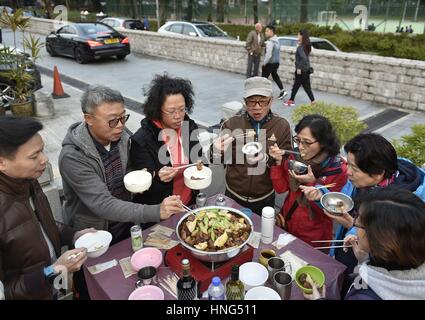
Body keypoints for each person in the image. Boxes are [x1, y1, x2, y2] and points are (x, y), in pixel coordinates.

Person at [301, 133, 425, 293]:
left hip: (372, 276)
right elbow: (345, 203)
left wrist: (352, 225)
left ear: (378, 173)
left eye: (354, 168)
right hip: (347, 250)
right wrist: (322, 195)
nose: (348, 172)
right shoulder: (363, 180)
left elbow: (390, 256)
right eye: (349, 164)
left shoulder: (401, 208)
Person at [59, 85, 183, 244]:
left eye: (123, 117)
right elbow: (103, 204)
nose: (120, 126)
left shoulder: (122, 136)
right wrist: (157, 211)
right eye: (112, 121)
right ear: (89, 119)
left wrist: (148, 175)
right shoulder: (73, 156)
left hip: (126, 223)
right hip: (93, 233)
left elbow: (128, 169)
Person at [0, 116, 95, 300]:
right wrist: (53, 271)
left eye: (42, 151)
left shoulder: (28, 181)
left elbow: (42, 224)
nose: (44, 160)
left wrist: (74, 235)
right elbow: (7, 292)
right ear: (2, 162)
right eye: (34, 156)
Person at [304, 189, 425, 300]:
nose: (354, 223)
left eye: (358, 220)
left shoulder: (365, 296)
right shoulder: (408, 258)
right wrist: (365, 260)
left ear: (381, 240)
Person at [212, 76, 292, 214]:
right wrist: (216, 151)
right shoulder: (231, 124)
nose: (257, 108)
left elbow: (288, 162)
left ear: (271, 101)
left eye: (262, 102)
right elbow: (216, 160)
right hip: (233, 194)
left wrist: (272, 159)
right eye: (251, 102)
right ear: (245, 102)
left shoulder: (282, 126)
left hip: (265, 197)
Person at [269, 115, 347, 245]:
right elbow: (280, 188)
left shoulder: (338, 169)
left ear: (323, 142)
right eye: (298, 140)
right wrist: (277, 163)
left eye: (307, 142)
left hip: (314, 234)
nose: (300, 147)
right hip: (286, 221)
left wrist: (313, 183)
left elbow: (332, 210)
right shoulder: (294, 157)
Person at [130, 74, 204, 206]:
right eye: (171, 111)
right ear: (158, 110)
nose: (178, 116)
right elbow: (141, 185)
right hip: (160, 210)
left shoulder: (188, 126)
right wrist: (157, 176)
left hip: (188, 202)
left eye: (182, 109)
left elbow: (199, 162)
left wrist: (212, 155)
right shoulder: (142, 139)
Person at [284, 30, 315, 107]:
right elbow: (306, 59)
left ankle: (291, 101)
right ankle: (313, 101)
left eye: (298, 35)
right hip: (306, 70)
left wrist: (299, 68)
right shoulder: (306, 46)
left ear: (302, 36)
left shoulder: (300, 47)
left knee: (296, 86)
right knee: (306, 87)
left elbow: (304, 58)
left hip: (301, 71)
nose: (297, 36)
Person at [261, 25, 287, 100]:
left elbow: (268, 55)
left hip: (270, 63)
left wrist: (264, 63)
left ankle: (264, 95)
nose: (265, 33)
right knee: (275, 76)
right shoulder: (277, 41)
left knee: (263, 79)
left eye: (267, 31)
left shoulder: (270, 42)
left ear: (271, 31)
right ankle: (282, 90)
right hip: (276, 63)